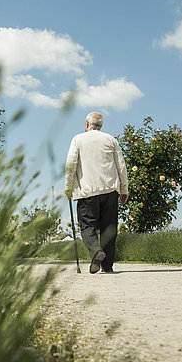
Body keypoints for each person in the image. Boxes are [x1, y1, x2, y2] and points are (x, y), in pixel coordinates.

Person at [64, 112, 128, 274]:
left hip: (87, 192)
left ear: (87, 124)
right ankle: (107, 266)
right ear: (101, 125)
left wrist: (68, 187)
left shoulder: (78, 139)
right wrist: (124, 189)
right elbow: (121, 166)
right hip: (110, 190)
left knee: (87, 226)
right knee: (109, 228)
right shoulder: (111, 140)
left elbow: (71, 164)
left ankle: (96, 251)